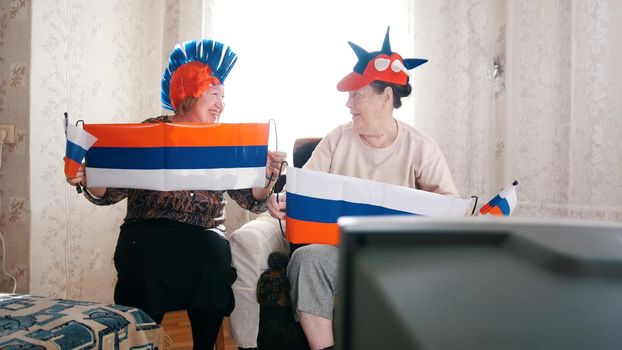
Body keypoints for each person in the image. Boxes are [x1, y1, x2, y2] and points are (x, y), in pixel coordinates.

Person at [65, 39, 286, 349]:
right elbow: (109, 191)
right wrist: (88, 176)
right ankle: (143, 343)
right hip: (146, 231)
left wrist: (267, 176)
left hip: (204, 232)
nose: (221, 104)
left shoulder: (224, 139)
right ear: (189, 94)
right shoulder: (149, 131)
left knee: (211, 257)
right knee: (142, 259)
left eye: (224, 96)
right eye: (214, 95)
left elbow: (251, 198)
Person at [266, 28, 460, 350]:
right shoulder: (337, 139)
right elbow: (301, 190)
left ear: (386, 97)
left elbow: (449, 206)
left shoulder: (422, 148)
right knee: (307, 259)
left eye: (358, 94)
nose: (348, 103)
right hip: (337, 250)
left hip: (396, 254)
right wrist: (281, 201)